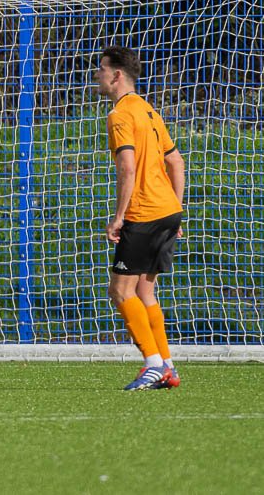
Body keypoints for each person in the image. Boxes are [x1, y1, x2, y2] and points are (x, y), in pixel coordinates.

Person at [93, 46, 184, 391]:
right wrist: (175, 211)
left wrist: (118, 218)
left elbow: (127, 168)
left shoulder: (120, 115)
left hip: (144, 212)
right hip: (167, 210)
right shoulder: (148, 110)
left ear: (117, 75)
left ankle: (153, 364)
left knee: (120, 290)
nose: (98, 75)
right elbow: (176, 162)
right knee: (146, 291)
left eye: (102, 69)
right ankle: (167, 365)